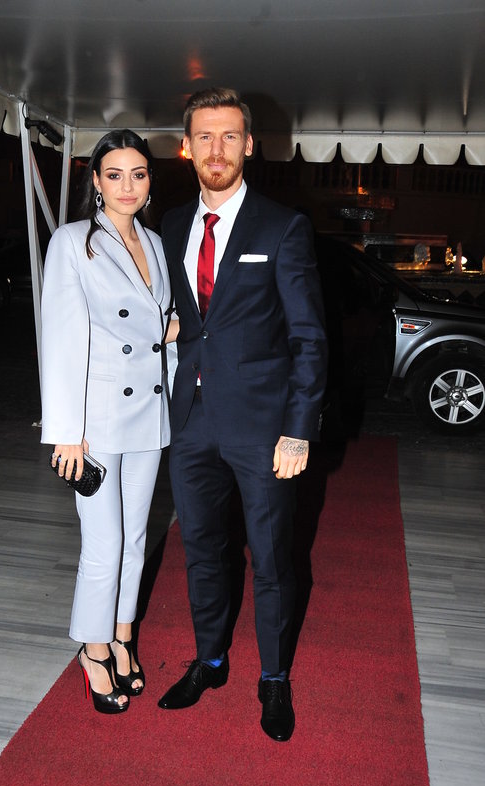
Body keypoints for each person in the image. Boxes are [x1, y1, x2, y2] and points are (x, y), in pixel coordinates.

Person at [157, 88, 327, 741]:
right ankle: (210, 660)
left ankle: (274, 677)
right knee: (202, 549)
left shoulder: (282, 227)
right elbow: (187, 315)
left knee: (273, 557)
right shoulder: (173, 223)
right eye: (204, 136)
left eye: (229, 136)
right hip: (191, 420)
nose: (217, 149)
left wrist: (298, 429)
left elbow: (308, 338)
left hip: (263, 428)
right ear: (187, 146)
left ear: (249, 145)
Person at [40, 129, 176, 714]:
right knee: (105, 542)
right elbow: (62, 340)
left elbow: (158, 322)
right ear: (95, 181)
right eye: (114, 174)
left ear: (149, 181)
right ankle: (92, 649)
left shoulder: (157, 242)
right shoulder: (73, 242)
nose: (127, 186)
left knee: (136, 538)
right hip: (95, 422)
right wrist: (65, 432)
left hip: (148, 412)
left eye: (138, 174)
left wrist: (179, 333)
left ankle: (122, 636)